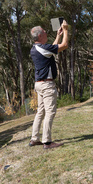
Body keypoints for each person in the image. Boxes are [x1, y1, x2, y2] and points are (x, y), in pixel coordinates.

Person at [28, 20, 69, 149]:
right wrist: (66, 30)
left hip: (39, 84)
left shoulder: (36, 48)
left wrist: (58, 35)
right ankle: (47, 141)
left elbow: (52, 49)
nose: (46, 33)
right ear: (40, 36)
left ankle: (34, 139)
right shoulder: (42, 48)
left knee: (40, 112)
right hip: (47, 85)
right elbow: (64, 45)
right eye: (45, 32)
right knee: (50, 112)